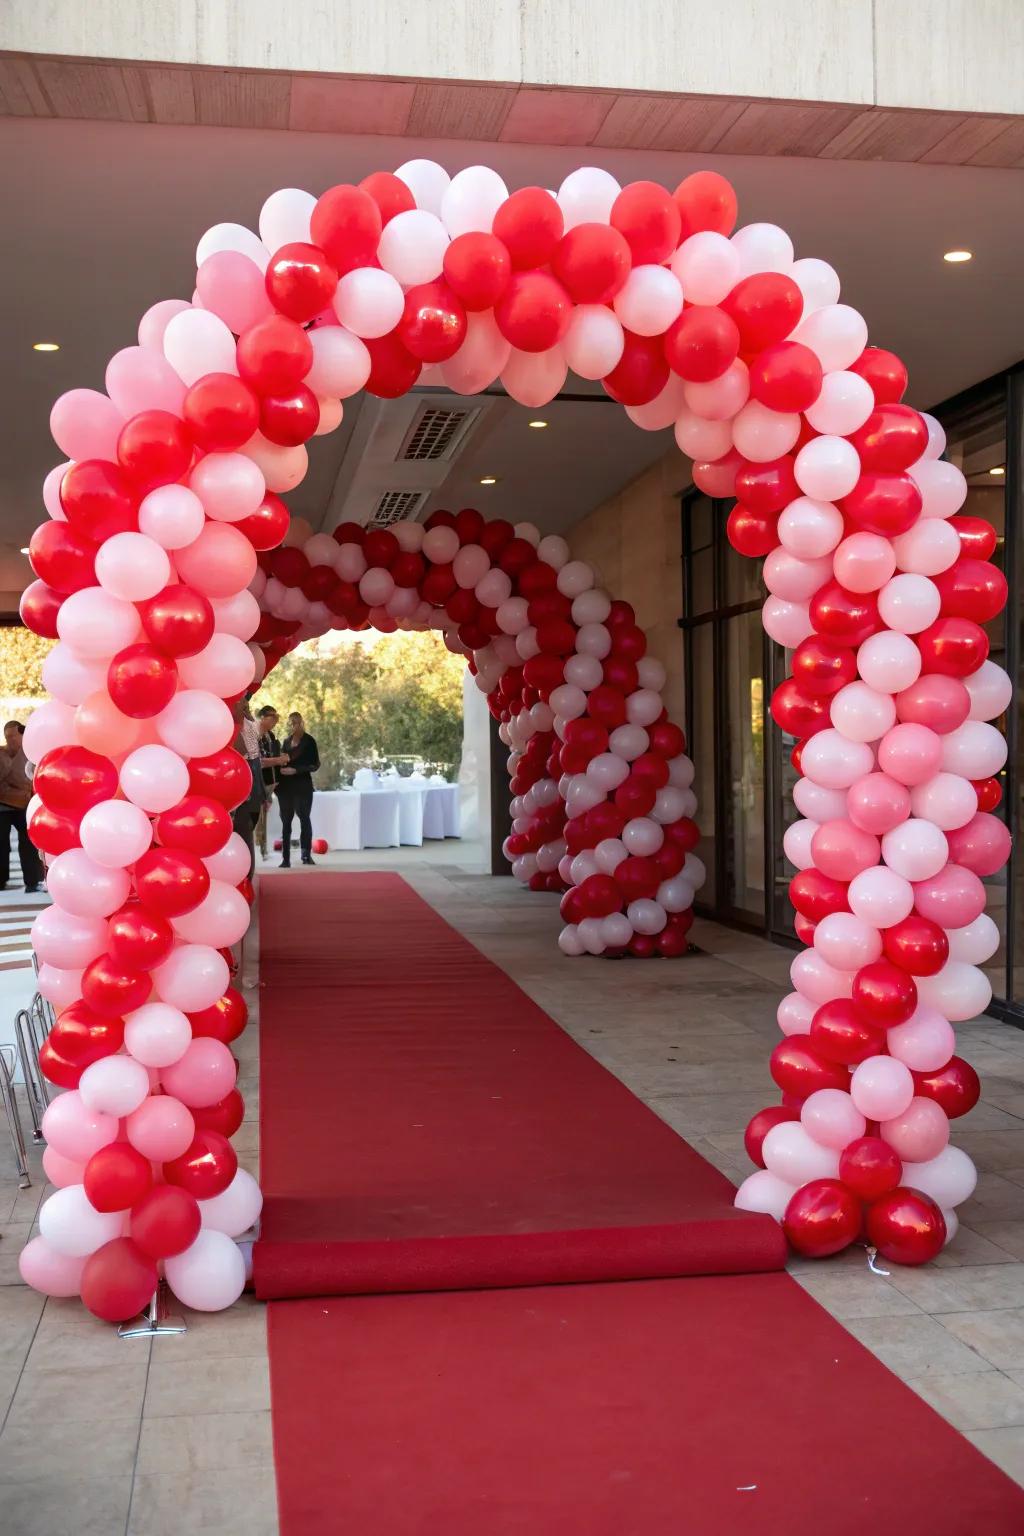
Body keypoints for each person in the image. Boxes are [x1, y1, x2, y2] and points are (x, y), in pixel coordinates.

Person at [0, 720, 44, 893]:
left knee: (29, 842)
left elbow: (29, 780)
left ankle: (32, 882)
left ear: (22, 735)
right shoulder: (2, 754)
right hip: (2, 806)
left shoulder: (30, 753)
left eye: (13, 736)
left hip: (24, 804)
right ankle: (1, 881)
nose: (10, 740)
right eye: (7, 736)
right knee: (1, 844)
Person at [277, 712, 320, 867]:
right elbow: (282, 761)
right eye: (291, 723)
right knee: (286, 821)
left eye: (296, 722)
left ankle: (306, 855)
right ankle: (285, 858)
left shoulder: (309, 741)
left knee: (304, 818)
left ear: (301, 723)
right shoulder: (286, 741)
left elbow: (315, 764)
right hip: (286, 787)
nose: (293, 726)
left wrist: (296, 770)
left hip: (303, 786)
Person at [230, 696, 264, 879]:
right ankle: (243, 875)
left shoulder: (249, 725)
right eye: (241, 701)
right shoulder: (230, 726)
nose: (245, 704)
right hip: (239, 786)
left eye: (245, 700)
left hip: (251, 786)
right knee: (242, 829)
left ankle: (247, 875)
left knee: (246, 828)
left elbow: (252, 755)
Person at [256, 705, 287, 859]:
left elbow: (272, 755)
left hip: (270, 782)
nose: (274, 721)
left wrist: (281, 758)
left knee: (264, 815)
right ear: (262, 717)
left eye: (276, 718)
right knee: (258, 817)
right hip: (259, 782)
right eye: (271, 717)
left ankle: (263, 848)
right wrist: (278, 760)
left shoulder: (270, 735)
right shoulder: (256, 735)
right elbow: (260, 761)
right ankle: (259, 849)